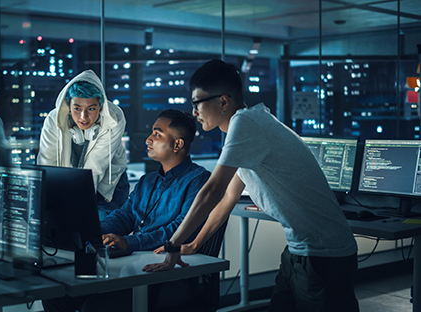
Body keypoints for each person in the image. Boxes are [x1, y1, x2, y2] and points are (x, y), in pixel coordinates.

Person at [144, 59, 360, 312]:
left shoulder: (246, 124)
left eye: (197, 103)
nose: (194, 112)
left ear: (223, 102)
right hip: (299, 250)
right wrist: (193, 244)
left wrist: (173, 245)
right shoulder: (251, 122)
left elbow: (212, 191)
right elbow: (228, 197)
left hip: (323, 254)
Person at [43, 109, 211, 312]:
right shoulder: (147, 181)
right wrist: (92, 231)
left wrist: (128, 242)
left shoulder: (198, 180)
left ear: (178, 144)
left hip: (173, 276)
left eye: (157, 134)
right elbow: (124, 216)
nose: (148, 139)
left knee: (94, 307)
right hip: (139, 268)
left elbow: (182, 229)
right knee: (56, 295)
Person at [38, 69, 129, 219]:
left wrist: (75, 207)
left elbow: (96, 167)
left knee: (101, 232)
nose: (83, 117)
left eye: (91, 109)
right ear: (69, 104)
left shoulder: (114, 118)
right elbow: (48, 164)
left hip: (108, 185)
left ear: (100, 106)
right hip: (67, 184)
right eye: (77, 108)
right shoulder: (53, 120)